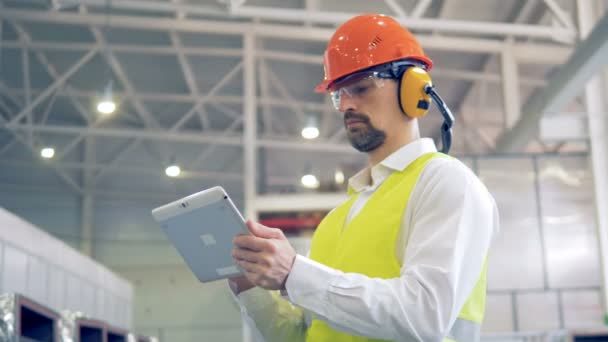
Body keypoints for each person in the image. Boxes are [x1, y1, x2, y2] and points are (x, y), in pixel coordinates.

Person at [228, 13, 499, 342]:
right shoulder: (335, 220)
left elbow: (426, 315)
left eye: (361, 87)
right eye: (339, 94)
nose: (347, 106)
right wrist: (251, 289)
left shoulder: (445, 183)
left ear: (414, 88)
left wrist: (293, 273)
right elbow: (305, 336)